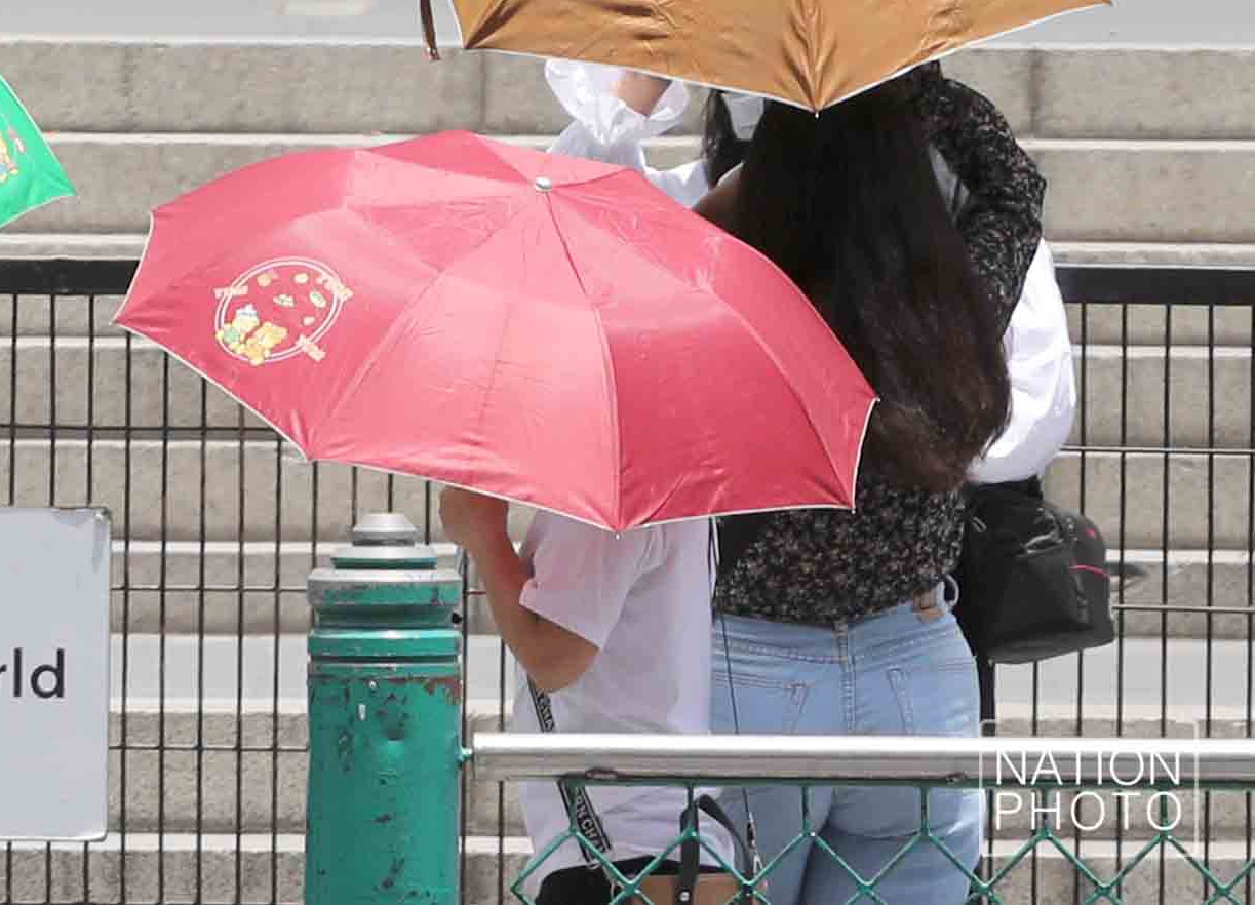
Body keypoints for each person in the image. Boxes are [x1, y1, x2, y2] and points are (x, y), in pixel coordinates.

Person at [701, 77, 1018, 905]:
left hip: (746, 666)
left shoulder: (725, 303)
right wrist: (914, 86)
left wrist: (729, 192)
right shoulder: (948, 312)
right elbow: (1012, 192)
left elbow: (644, 253)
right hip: (915, 665)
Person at [544, 58, 1073, 491]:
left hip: (789, 565)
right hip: (914, 555)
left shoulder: (711, 289)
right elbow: (1013, 195)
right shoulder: (947, 284)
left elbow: (577, 224)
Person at [439, 488, 735, 904]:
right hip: (652, 836)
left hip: (619, 849)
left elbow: (553, 659)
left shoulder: (604, 507)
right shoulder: (667, 492)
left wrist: (486, 537)